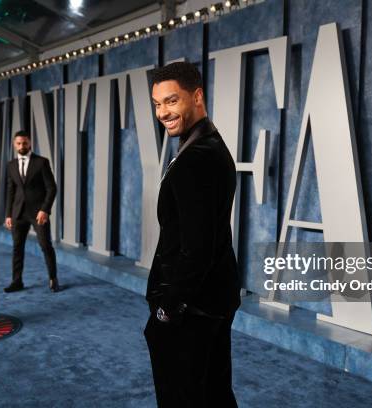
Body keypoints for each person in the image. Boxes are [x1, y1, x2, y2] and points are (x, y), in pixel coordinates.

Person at [144, 62, 241, 407]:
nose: (163, 112)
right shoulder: (209, 145)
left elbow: (196, 248)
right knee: (214, 394)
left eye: (171, 101)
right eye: (157, 104)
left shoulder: (196, 158)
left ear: (196, 96)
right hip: (213, 299)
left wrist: (167, 310)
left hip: (192, 310)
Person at [4, 130, 59, 293]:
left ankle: (53, 279)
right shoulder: (11, 165)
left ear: (30, 143)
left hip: (38, 213)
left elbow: (52, 188)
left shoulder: (41, 162)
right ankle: (17, 281)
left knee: (45, 245)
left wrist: (45, 210)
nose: (22, 146)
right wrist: (8, 214)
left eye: (25, 143)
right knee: (17, 247)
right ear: (14, 144)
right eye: (19, 143)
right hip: (18, 213)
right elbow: (10, 191)